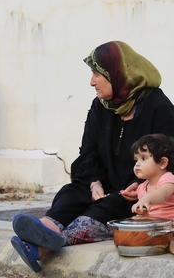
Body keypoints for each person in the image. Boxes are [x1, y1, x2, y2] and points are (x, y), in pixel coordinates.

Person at [10, 41, 174, 272]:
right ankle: (47, 227)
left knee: (107, 206)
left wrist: (138, 186)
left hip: (135, 195)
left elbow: (167, 160)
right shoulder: (101, 106)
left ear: (118, 73)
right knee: (72, 192)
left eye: (97, 74)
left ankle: (43, 245)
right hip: (103, 185)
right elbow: (86, 153)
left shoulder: (159, 107)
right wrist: (93, 181)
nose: (91, 81)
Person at [130, 134, 174, 218]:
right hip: (155, 228)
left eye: (143, 158)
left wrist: (146, 199)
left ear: (162, 163)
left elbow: (162, 195)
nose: (137, 164)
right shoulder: (141, 188)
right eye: (136, 160)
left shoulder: (168, 179)